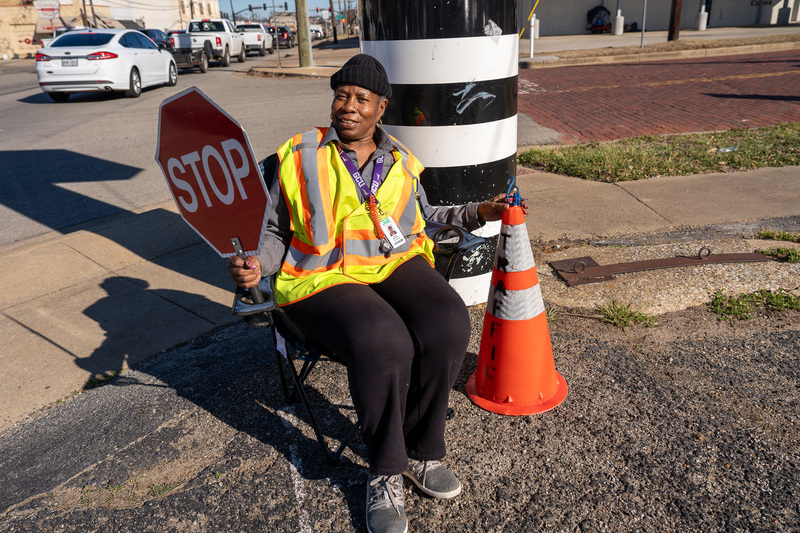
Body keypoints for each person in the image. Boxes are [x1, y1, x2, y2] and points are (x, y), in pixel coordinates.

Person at [229, 54, 525, 533]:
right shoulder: (300, 156)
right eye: (341, 95)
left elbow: (424, 218)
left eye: (360, 98)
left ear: (380, 108)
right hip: (319, 277)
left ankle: (422, 452)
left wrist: (479, 210)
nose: (348, 106)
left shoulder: (402, 161)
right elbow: (275, 233)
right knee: (384, 338)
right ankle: (385, 470)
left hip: (390, 264)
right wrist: (256, 266)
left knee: (447, 321)